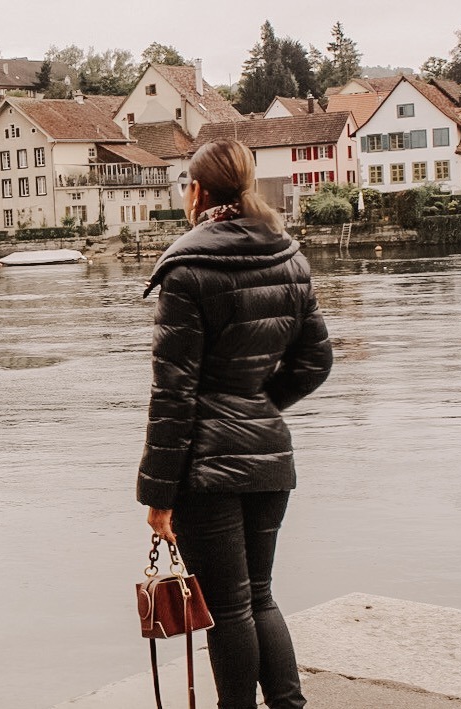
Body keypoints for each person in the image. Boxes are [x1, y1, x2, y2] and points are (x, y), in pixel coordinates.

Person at [137, 139, 332, 708]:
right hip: (271, 458)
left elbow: (173, 395)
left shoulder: (188, 269)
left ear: (196, 191)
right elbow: (316, 361)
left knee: (227, 608)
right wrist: (257, 405)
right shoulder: (290, 257)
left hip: (208, 469)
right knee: (261, 598)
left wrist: (158, 495)